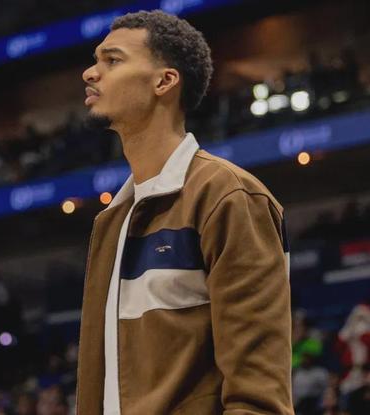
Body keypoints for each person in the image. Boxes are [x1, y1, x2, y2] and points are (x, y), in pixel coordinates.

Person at [76, 9, 293, 415]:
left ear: (164, 81)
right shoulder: (111, 220)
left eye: (112, 60)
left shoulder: (228, 196)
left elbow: (259, 397)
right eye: (95, 60)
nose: (90, 73)